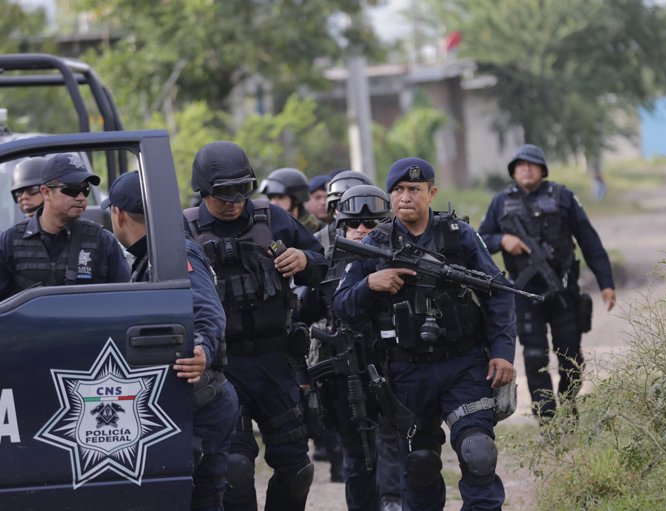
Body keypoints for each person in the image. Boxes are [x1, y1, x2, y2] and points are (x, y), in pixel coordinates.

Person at [334, 157, 516, 511]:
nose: (406, 197)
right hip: (406, 372)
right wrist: (371, 284)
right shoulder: (374, 243)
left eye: (414, 190)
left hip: (463, 365)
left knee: (478, 452)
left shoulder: (459, 236)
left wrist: (503, 352)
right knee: (420, 466)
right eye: (398, 190)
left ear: (431, 193)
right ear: (389, 197)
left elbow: (499, 293)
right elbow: (342, 305)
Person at [184, 141, 327, 511]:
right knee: (234, 469)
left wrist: (304, 260)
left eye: (241, 190)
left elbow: (323, 263)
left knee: (297, 469)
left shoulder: (272, 217)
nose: (234, 201)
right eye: (223, 194)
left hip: (276, 362)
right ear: (203, 191)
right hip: (222, 368)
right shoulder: (183, 230)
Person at [102, 171, 239, 511]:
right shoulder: (152, 256)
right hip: (188, 401)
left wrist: (202, 351)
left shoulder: (177, 253)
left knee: (203, 499)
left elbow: (209, 312)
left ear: (118, 214)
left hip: (203, 403)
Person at [478, 143, 616, 423]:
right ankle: (546, 418)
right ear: (513, 171)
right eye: (520, 165)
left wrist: (606, 282)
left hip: (564, 293)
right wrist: (502, 240)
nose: (526, 169)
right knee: (534, 358)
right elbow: (479, 240)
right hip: (525, 295)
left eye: (532, 164)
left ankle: (568, 406)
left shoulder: (563, 197)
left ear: (542, 170)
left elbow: (589, 240)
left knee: (570, 356)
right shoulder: (500, 202)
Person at [307, 183, 402, 511]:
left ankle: (392, 502)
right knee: (359, 459)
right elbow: (307, 312)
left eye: (371, 224)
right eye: (354, 224)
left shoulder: (400, 254)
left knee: (397, 450)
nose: (361, 231)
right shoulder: (325, 257)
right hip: (346, 374)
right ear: (341, 225)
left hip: (394, 367)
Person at [0, 154, 129, 300]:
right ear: (46, 192)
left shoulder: (103, 241)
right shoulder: (9, 241)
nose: (81, 197)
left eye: (85, 190)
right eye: (72, 190)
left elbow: (124, 300)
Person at [314, 170, 373, 252]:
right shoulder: (320, 241)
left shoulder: (382, 235)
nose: (351, 212)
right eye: (343, 206)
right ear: (333, 208)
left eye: (357, 204)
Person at [258, 167, 321, 233]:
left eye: (280, 197)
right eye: (271, 197)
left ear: (296, 199)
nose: (273, 203)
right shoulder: (267, 230)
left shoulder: (317, 232)